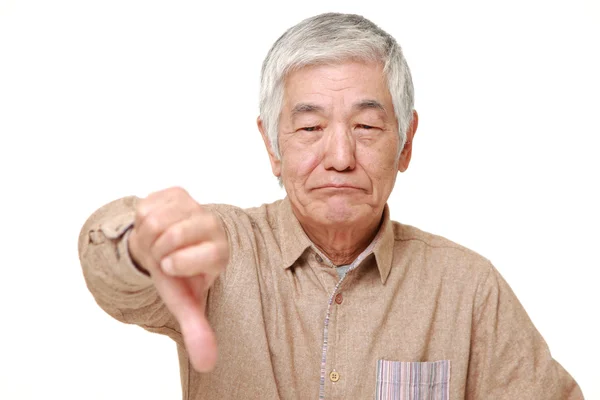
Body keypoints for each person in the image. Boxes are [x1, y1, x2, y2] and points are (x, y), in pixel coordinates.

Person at [78, 12, 583, 400]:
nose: (340, 157)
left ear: (406, 143)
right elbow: (112, 272)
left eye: (366, 127)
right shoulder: (217, 251)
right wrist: (143, 245)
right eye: (310, 127)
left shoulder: (467, 287)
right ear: (272, 144)